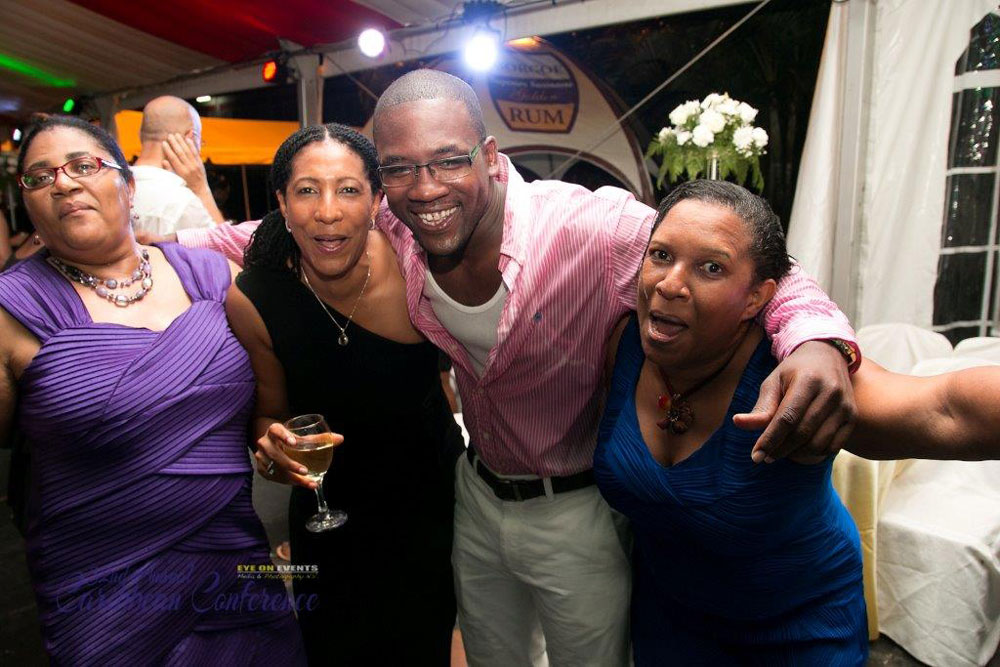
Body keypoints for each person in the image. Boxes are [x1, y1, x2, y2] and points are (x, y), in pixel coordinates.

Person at [191, 70, 860, 666]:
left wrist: (816, 341)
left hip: (574, 508)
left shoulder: (589, 230)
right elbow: (253, 234)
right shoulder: (394, 220)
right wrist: (148, 251)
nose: (425, 188)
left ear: (489, 157)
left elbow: (759, 265)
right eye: (399, 169)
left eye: (448, 160)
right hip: (476, 495)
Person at [594, 180, 1000, 664]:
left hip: (799, 630)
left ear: (756, 298)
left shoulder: (798, 375)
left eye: (711, 267)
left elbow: (945, 409)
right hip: (669, 624)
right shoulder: (621, 344)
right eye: (661, 255)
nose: (670, 284)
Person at [0, 116, 305, 665]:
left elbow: (265, 408)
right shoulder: (11, 309)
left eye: (82, 165)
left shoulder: (213, 275)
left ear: (128, 185)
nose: (62, 183)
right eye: (40, 177)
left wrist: (274, 444)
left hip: (233, 572)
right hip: (107, 599)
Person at [226, 123, 464, 665]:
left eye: (349, 190)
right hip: (327, 519)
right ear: (282, 203)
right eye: (307, 190)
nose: (327, 211)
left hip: (431, 510)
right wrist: (275, 453)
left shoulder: (416, 265)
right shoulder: (255, 298)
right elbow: (267, 416)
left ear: (377, 202)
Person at [131, 95, 225, 235]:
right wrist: (202, 190)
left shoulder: (116, 186)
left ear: (140, 135)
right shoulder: (185, 203)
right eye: (200, 140)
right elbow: (226, 244)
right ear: (190, 138)